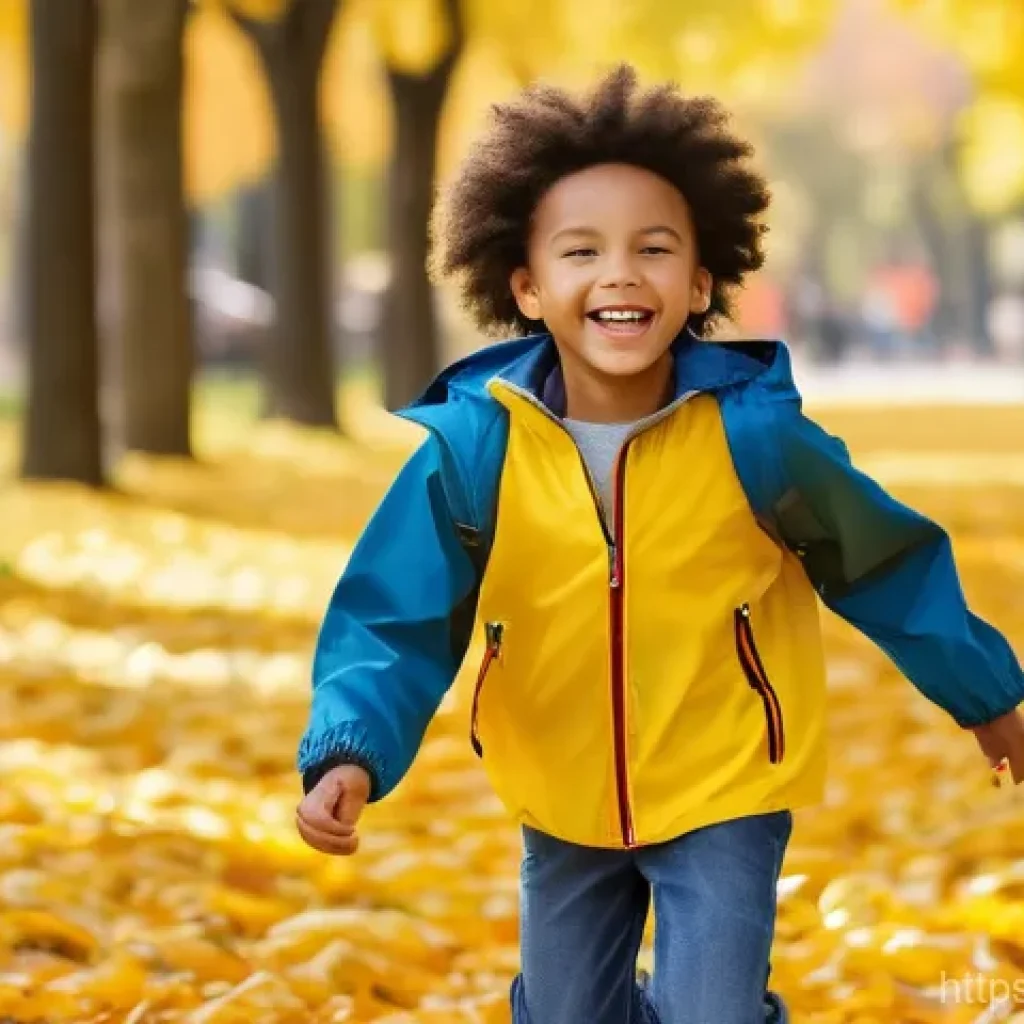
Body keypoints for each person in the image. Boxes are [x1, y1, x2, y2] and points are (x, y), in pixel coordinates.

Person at [293, 66, 1024, 1024]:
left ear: (700, 281)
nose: (620, 274)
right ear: (526, 283)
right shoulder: (478, 448)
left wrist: (987, 692)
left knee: (709, 1012)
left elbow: (879, 559)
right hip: (560, 791)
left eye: (654, 249)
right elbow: (397, 614)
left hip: (724, 780)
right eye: (581, 251)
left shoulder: (754, 439)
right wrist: (348, 748)